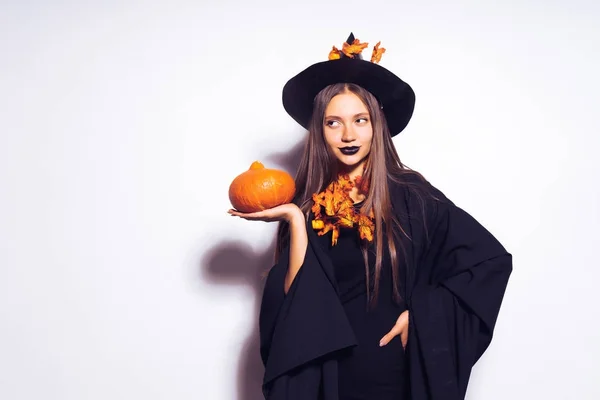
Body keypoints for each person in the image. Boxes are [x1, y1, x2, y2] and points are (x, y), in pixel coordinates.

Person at [228, 32, 512, 400]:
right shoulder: (306, 205)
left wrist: (423, 318)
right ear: (320, 130)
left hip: (392, 371)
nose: (349, 134)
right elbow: (297, 306)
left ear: (376, 125)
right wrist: (295, 220)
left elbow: (488, 261)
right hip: (327, 375)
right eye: (334, 122)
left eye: (360, 120)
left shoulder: (412, 196)